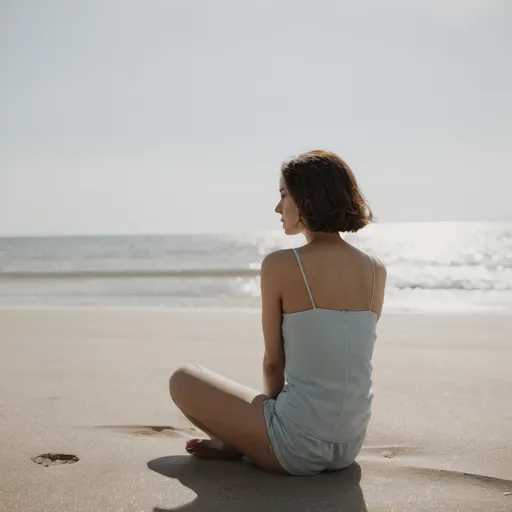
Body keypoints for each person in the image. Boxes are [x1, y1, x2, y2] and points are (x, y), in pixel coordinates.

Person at [169, 150, 387, 475]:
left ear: (308, 199)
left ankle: (246, 441)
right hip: (349, 445)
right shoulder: (375, 269)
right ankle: (244, 440)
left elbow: (273, 362)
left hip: (293, 446)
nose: (277, 207)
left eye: (284, 195)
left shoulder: (281, 265)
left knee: (183, 378)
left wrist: (266, 427)